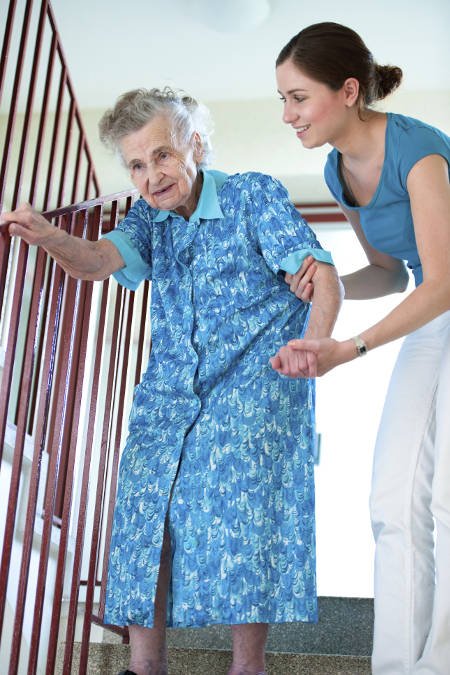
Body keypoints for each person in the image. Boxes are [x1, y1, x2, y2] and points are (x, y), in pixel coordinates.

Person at [0, 87, 342, 675]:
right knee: (141, 519)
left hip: (249, 388)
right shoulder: (149, 218)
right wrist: (49, 236)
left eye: (162, 155)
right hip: (168, 395)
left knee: (241, 521)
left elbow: (321, 276)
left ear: (196, 145)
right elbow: (99, 261)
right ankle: (145, 667)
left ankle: (247, 667)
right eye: (136, 164)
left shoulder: (251, 195)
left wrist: (317, 344)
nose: (151, 175)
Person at [274, 21, 450, 675]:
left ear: (348, 90)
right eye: (283, 100)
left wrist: (351, 347)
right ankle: (400, 665)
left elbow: (444, 279)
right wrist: (315, 282)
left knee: (443, 498)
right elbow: (390, 274)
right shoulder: (338, 167)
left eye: (298, 97)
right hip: (435, 308)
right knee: (391, 498)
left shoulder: (419, 150)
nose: (288, 114)